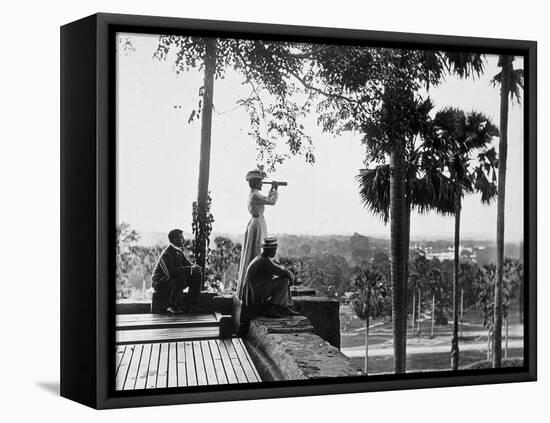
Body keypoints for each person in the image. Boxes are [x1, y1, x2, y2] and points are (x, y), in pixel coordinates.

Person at [236, 168, 279, 300]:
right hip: (257, 225)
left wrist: (272, 189)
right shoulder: (255, 195)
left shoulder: (254, 194)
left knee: (257, 250)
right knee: (257, 251)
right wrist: (274, 190)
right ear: (255, 183)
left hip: (257, 223)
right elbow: (272, 201)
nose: (261, 184)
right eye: (260, 182)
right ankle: (255, 288)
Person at [242, 237, 299, 318]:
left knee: (284, 280)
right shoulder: (264, 261)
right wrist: (290, 274)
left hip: (253, 291)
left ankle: (285, 307)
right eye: (274, 249)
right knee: (284, 281)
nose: (275, 252)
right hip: (255, 293)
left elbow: (276, 269)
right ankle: (271, 308)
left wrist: (287, 273)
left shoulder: (261, 258)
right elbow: (281, 272)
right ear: (269, 250)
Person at [151, 229, 202, 314]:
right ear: (175, 239)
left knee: (197, 274)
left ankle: (192, 304)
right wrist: (190, 269)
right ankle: (172, 306)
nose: (184, 240)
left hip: (172, 280)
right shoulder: (167, 254)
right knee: (180, 278)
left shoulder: (179, 252)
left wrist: (195, 268)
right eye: (181, 238)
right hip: (160, 282)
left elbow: (188, 265)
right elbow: (172, 273)